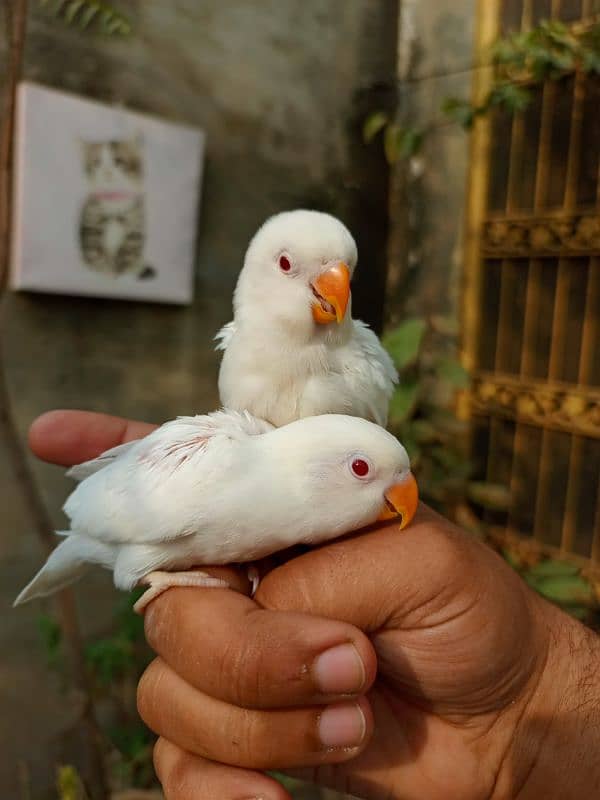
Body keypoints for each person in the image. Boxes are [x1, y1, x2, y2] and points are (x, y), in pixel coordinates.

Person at [29, 410, 600, 800]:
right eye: (361, 471)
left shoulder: (277, 500)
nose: (397, 495)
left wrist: (526, 715)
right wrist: (166, 578)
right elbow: (102, 521)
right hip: (114, 539)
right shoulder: (221, 471)